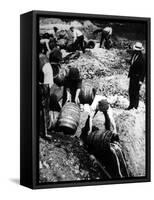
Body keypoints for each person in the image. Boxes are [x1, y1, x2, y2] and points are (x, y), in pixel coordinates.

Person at [126, 42, 145, 110]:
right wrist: (128, 61)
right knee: (131, 91)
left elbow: (143, 71)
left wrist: (141, 80)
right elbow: (132, 62)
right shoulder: (134, 54)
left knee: (136, 92)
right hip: (132, 76)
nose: (135, 51)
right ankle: (131, 105)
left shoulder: (142, 58)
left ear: (139, 51)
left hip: (137, 77)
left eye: (136, 50)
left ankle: (135, 106)